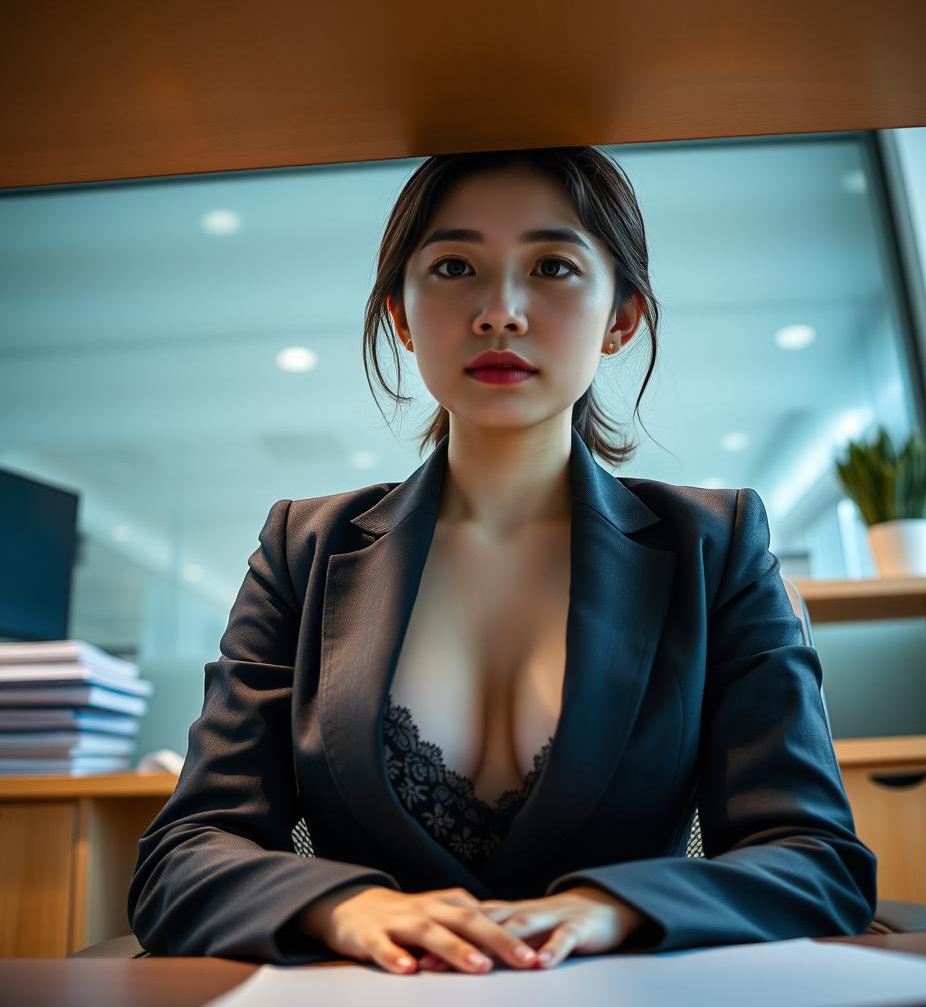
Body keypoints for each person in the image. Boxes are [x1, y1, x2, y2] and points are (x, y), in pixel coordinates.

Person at [127, 146, 877, 976]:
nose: (501, 312)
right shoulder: (303, 551)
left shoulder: (717, 546)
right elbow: (184, 856)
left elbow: (814, 856)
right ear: (402, 316)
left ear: (621, 318)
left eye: (552, 266)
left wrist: (612, 908)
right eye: (454, 266)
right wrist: (345, 907)